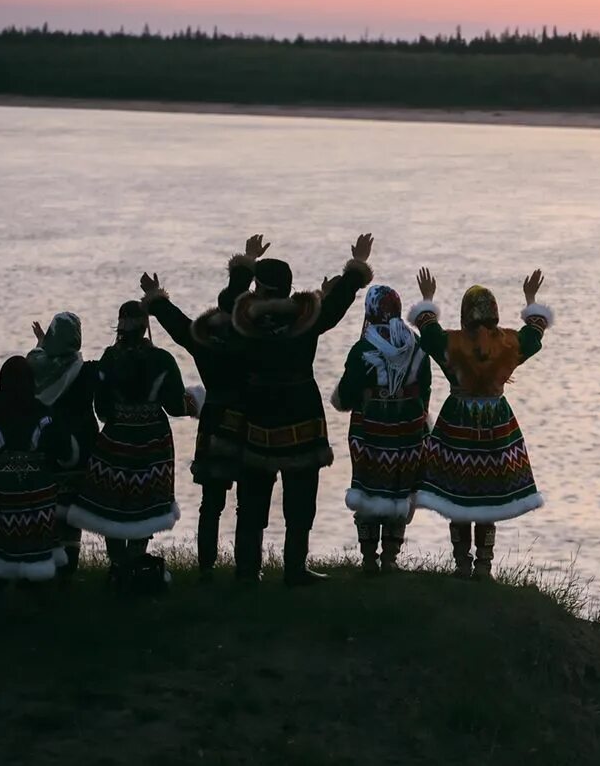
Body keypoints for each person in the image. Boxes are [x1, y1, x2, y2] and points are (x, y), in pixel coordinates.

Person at [230, 234, 375, 586]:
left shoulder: (243, 318)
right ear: (289, 286)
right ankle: (294, 570)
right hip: (300, 415)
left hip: (257, 413)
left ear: (258, 288)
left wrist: (245, 263)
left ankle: (247, 572)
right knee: (300, 501)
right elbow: (338, 303)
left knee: (250, 504)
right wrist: (356, 264)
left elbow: (228, 299)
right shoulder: (307, 317)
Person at [411, 267, 553, 580]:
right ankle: (484, 566)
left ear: (464, 315)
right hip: (495, 422)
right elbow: (536, 330)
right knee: (488, 497)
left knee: (457, 495)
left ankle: (462, 563)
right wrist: (530, 298)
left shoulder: (452, 343)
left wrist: (427, 299)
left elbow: (428, 329)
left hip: (457, 419)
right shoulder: (508, 344)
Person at [139, 235, 262, 580]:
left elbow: (176, 324)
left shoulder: (203, 338)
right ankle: (247, 569)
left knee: (211, 503)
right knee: (248, 504)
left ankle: (206, 567)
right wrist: (249, 263)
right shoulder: (254, 339)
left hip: (214, 421)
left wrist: (155, 297)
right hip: (249, 422)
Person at [67, 301, 196, 568]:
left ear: (120, 325)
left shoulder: (109, 359)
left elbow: (101, 410)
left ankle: (117, 565)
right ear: (146, 325)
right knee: (145, 504)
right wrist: (197, 401)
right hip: (154, 441)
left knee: (113, 504)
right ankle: (137, 562)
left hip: (116, 440)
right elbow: (174, 405)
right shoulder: (162, 360)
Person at [331, 282, 433, 574]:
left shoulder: (364, 347)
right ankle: (390, 557)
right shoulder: (416, 345)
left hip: (370, 429)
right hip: (410, 430)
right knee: (401, 490)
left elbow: (347, 395)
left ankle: (368, 558)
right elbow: (425, 388)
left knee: (368, 487)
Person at [0, 356, 80, 584]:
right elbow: (65, 450)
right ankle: (34, 593)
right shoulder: (43, 412)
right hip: (36, 496)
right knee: (37, 522)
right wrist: (43, 463)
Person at [27, 311, 95, 575]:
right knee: (72, 515)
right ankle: (69, 571)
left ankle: (47, 570)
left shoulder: (37, 367)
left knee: (48, 510)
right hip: (82, 447)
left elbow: (34, 361)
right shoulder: (86, 370)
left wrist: (42, 343)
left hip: (50, 446)